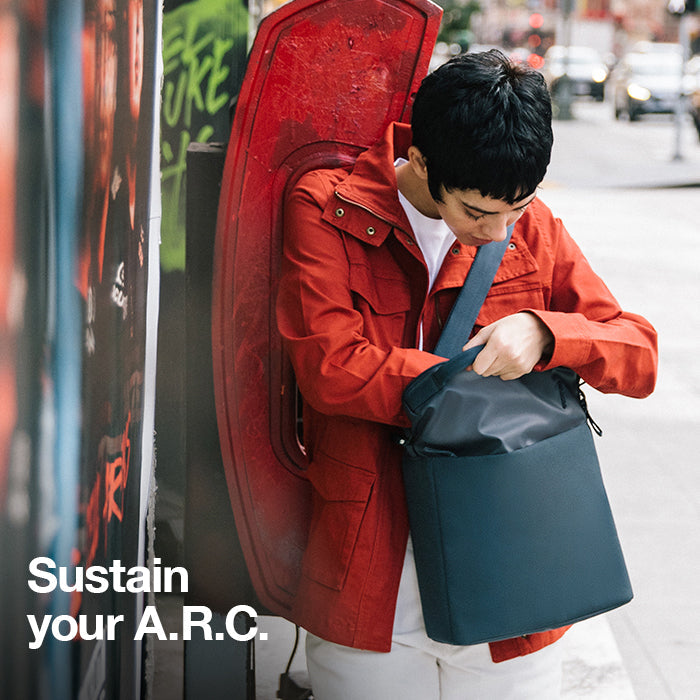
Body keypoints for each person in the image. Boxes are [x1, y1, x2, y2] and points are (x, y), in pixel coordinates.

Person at [275, 49, 657, 699]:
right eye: (479, 213)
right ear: (422, 164)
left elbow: (637, 352)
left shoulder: (526, 224)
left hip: (511, 563)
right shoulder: (327, 208)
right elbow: (330, 365)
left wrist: (546, 332)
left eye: (518, 208)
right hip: (371, 570)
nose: (499, 229)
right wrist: (473, 387)